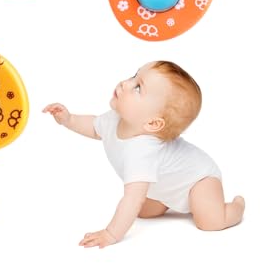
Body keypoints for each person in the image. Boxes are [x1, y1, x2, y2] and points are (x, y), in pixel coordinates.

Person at [43, 61, 245, 248]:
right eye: (134, 76)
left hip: (199, 181)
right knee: (144, 212)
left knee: (209, 222)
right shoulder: (116, 119)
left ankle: (236, 207)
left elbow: (131, 199)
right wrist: (69, 120)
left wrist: (111, 234)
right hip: (165, 187)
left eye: (138, 87)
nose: (125, 83)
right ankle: (166, 201)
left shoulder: (142, 151)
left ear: (153, 123)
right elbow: (95, 128)